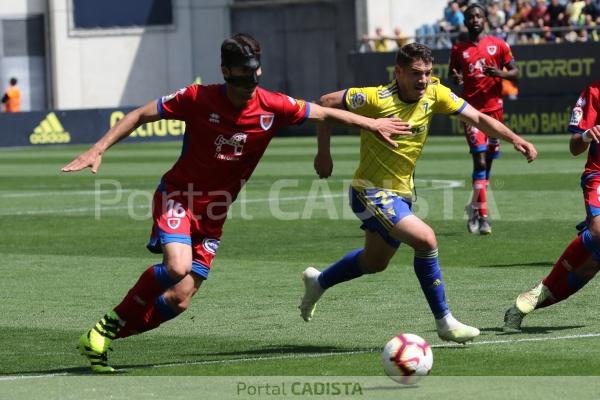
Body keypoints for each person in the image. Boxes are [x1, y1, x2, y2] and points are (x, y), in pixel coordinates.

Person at [61, 33, 412, 373]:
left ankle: (100, 339)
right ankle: (107, 326)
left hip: (213, 216)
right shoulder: (197, 98)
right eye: (243, 72)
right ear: (226, 70)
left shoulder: (273, 105)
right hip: (178, 198)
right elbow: (139, 114)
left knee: (180, 299)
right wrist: (98, 148)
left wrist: (372, 123)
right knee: (177, 266)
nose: (252, 79)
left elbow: (325, 113)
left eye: (255, 70)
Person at [300, 43, 537, 344]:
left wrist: (516, 139)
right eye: (415, 73)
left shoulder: (435, 94)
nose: (423, 80)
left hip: (402, 194)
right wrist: (324, 154)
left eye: (427, 73)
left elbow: (478, 118)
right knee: (426, 240)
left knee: (374, 262)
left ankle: (319, 282)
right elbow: (325, 103)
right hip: (369, 192)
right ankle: (445, 321)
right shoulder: (376, 98)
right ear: (398, 72)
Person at [503, 81, 600, 333]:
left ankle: (522, 308)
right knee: (599, 231)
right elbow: (574, 147)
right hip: (599, 175)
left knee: (590, 266)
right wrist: (588, 135)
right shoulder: (594, 92)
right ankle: (539, 292)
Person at [449, 3, 519, 235]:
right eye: (471, 16)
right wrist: (457, 78)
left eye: (479, 16)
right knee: (479, 161)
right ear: (465, 21)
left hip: (495, 111)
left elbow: (516, 72)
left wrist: (501, 74)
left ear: (485, 20)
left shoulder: (498, 45)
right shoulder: (459, 49)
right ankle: (484, 217)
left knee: (486, 166)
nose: (475, 19)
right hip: (471, 111)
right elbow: (452, 73)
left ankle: (475, 208)